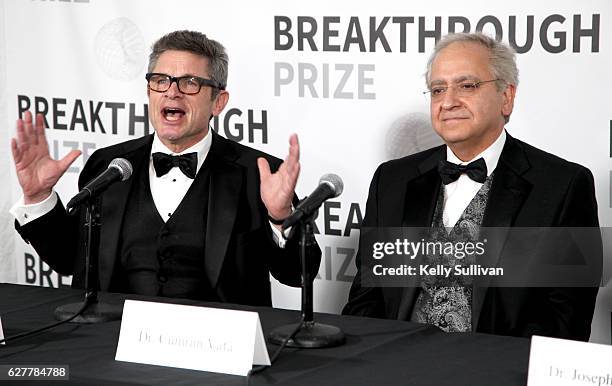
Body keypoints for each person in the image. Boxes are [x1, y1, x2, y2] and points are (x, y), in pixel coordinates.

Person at [10, 30, 320, 306]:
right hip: (112, 342)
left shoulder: (259, 172)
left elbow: (298, 274)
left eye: (190, 83)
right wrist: (38, 197)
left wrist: (280, 218)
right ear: (148, 92)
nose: (172, 92)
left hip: (220, 350)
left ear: (218, 102)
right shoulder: (109, 165)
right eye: (161, 81)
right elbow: (70, 260)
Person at [342, 32, 599, 340]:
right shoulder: (391, 180)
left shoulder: (563, 185)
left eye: (467, 85)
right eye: (438, 89)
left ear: (506, 97)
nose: (448, 102)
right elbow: (366, 301)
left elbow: (565, 321)